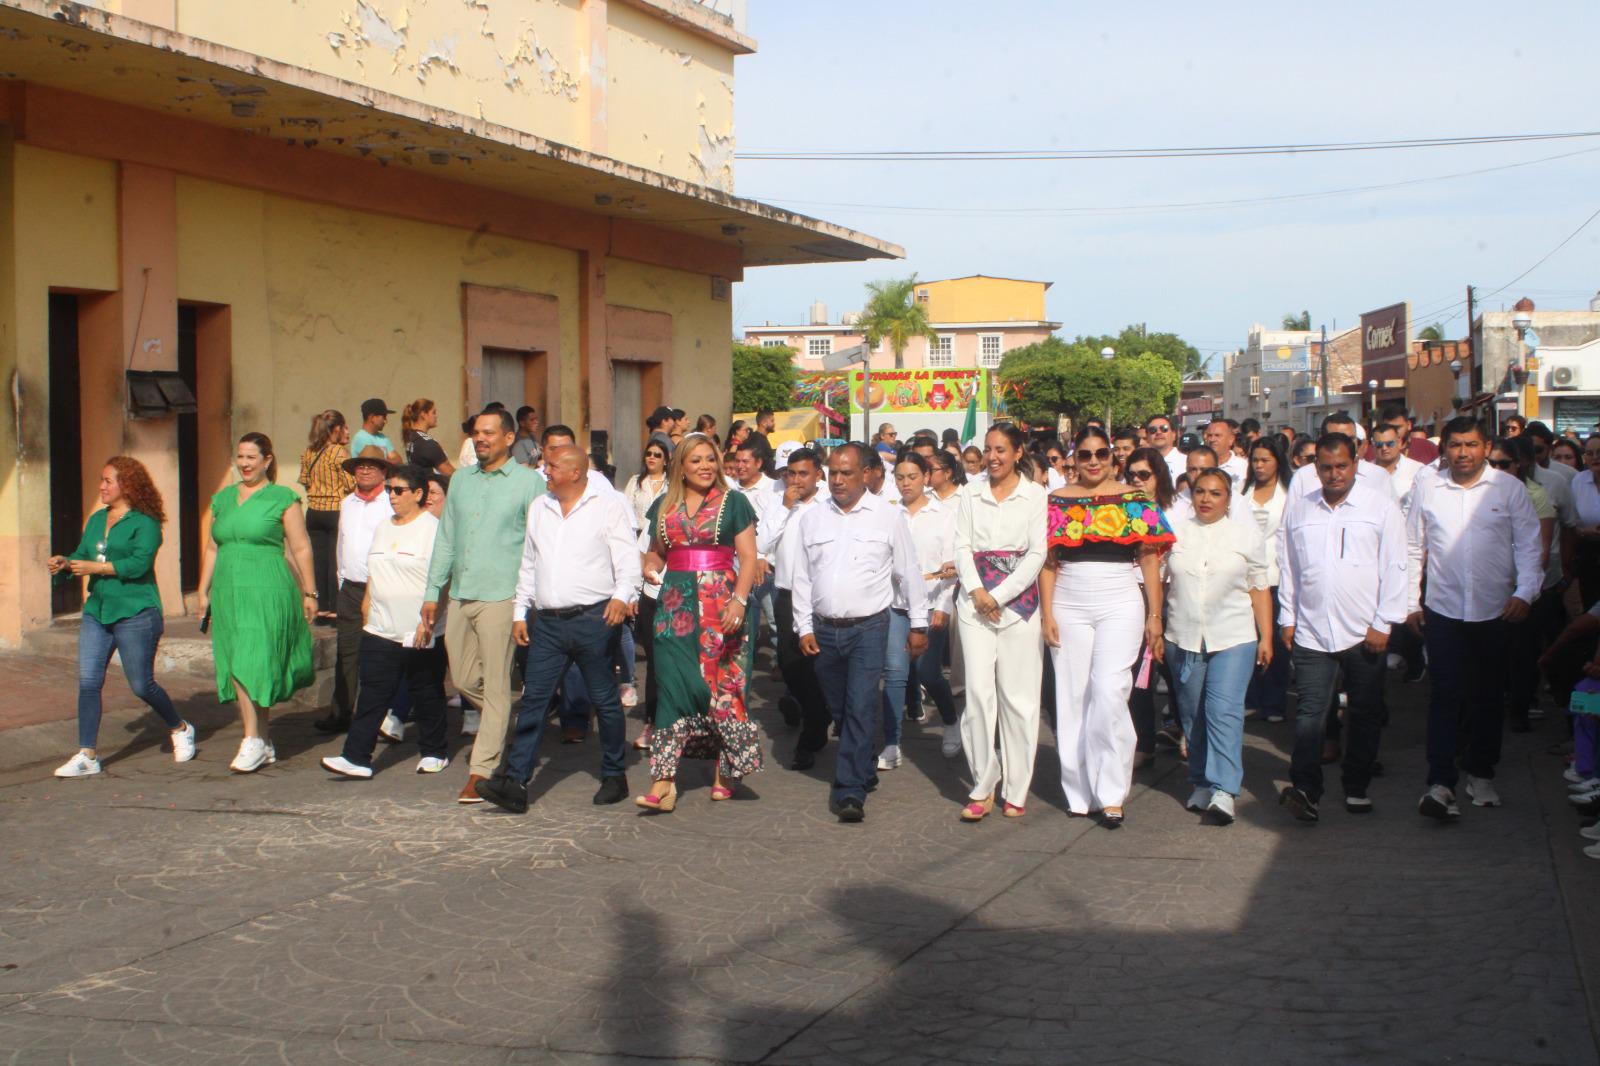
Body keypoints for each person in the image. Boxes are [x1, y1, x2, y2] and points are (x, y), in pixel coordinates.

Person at [471, 447, 641, 812]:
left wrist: (621, 597)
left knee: (604, 699)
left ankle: (614, 775)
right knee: (533, 701)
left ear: (577, 472)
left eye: (553, 466)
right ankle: (515, 782)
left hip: (595, 619)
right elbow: (528, 564)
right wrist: (520, 611)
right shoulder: (540, 507)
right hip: (547, 623)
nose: (545, 471)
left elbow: (627, 561)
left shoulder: (606, 506)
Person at [1406, 416, 1542, 819]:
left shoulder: (1509, 490)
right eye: (1455, 445)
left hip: (1494, 610)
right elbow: (1413, 547)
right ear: (1444, 449)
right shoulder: (1428, 489)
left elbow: (1530, 548)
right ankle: (1440, 781)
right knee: (1445, 694)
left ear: (1486, 447)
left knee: (1486, 696)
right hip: (1443, 609)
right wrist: (1410, 602)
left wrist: (1525, 593)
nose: (1462, 453)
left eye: (1471, 445)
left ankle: (1481, 772)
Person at [1040, 428, 1173, 826]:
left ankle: (1112, 791)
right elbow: (1048, 562)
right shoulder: (1055, 501)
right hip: (1068, 599)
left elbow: (1150, 560)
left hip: (1120, 598)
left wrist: (1155, 616)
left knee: (1110, 691)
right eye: (1085, 454)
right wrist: (1047, 614)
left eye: (1100, 454)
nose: (1093, 461)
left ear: (1113, 458)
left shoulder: (1134, 499)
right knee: (1072, 695)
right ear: (1073, 460)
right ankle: (1080, 791)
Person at [793, 443, 928, 823]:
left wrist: (919, 624)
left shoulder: (887, 517)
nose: (837, 480)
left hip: (870, 627)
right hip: (823, 629)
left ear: (865, 474)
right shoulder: (813, 517)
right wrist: (803, 625)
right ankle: (865, 763)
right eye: (833, 472)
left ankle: (849, 790)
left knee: (861, 704)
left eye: (846, 473)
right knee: (841, 708)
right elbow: (802, 577)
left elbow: (908, 572)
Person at [1276, 434, 1408, 821]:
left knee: (1365, 712)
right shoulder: (1300, 509)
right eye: (1326, 467)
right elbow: (1289, 567)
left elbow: (1397, 566)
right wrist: (1289, 617)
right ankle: (1305, 788)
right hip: (1312, 630)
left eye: (1341, 466)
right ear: (1315, 468)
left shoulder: (1380, 507)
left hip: (1364, 631)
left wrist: (1384, 622)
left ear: (1356, 464)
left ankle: (1356, 786)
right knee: (1310, 713)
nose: (1334, 474)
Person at [423, 409, 548, 803]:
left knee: (495, 683)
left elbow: (539, 545)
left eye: (489, 433)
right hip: (462, 592)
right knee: (462, 679)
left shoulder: (530, 483)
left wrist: (528, 603)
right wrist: (433, 592)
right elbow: (446, 537)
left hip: (503, 595)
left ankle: (482, 770)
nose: (481, 439)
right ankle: (502, 717)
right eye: (477, 433)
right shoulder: (460, 479)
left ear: (509, 438)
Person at [636, 435, 762, 811]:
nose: (706, 466)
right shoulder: (664, 505)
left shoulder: (734, 502)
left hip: (721, 603)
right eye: (696, 461)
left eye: (711, 459)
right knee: (672, 685)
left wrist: (739, 600)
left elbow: (749, 556)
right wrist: (649, 566)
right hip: (675, 607)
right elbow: (657, 553)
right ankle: (663, 782)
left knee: (725, 687)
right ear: (680, 467)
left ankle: (727, 766)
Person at [48, 457, 193, 778]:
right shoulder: (98, 519)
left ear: (127, 485)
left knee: (141, 685)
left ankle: (180, 727)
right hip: (97, 612)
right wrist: (65, 563)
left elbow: (137, 566)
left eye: (107, 481)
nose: (101, 486)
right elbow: (83, 555)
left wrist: (94, 568)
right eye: (101, 480)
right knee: (88, 682)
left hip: (136, 613)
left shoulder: (146, 524)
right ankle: (87, 754)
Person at [320, 463, 451, 779]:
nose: (392, 496)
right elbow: (373, 573)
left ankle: (434, 751)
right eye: (390, 489)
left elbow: (443, 581)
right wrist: (367, 607)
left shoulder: (433, 531)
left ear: (418, 494)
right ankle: (356, 757)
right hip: (379, 627)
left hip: (420, 629)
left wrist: (429, 622)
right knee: (373, 694)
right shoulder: (383, 527)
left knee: (427, 691)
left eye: (399, 490)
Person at [198, 433, 317, 773]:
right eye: (240, 457)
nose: (245, 464)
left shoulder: (283, 498)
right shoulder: (222, 499)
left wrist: (310, 592)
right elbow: (212, 548)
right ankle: (261, 739)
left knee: (254, 660)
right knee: (237, 660)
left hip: (266, 587)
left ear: (267, 460)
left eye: (251, 457)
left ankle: (250, 740)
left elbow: (301, 547)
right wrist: (202, 590)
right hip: (228, 590)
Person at [1164, 468, 1273, 824]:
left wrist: (1266, 636)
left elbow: (1259, 587)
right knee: (1193, 713)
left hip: (1234, 636)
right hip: (1184, 635)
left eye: (1215, 493)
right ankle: (1202, 781)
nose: (1207, 499)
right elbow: (1157, 579)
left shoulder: (1245, 535)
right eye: (1200, 492)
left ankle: (1225, 788)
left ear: (1229, 499)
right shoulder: (1174, 534)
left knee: (1223, 711)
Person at [952, 424, 1047, 822]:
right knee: (976, 693)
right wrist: (978, 593)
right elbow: (961, 545)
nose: (993, 457)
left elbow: (1037, 552)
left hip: (1018, 605)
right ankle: (983, 783)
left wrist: (1000, 595)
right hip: (974, 605)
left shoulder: (1036, 494)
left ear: (1018, 452)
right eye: (988, 449)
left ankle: (1016, 788)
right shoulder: (969, 493)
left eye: (1001, 450)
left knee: (1019, 699)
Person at [313, 446, 395, 735]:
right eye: (360, 465)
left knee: (382, 653)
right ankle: (341, 711)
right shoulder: (348, 503)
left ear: (383, 470)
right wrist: (341, 580)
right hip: (350, 588)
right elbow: (341, 544)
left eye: (372, 465)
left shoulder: (390, 502)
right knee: (346, 652)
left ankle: (384, 715)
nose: (365, 470)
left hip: (382, 589)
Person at [883, 453, 958, 766]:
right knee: (895, 673)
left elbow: (952, 566)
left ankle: (952, 723)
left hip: (930, 604)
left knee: (928, 671)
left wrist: (943, 605)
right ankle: (891, 743)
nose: (906, 483)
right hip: (895, 606)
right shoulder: (888, 514)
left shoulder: (944, 515)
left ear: (926, 477)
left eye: (912, 476)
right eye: (900, 477)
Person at [759, 447, 831, 769]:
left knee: (816, 666)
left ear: (818, 474)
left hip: (821, 597)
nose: (797, 480)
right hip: (786, 593)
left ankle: (812, 735)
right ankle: (819, 712)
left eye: (804, 473)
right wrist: (785, 508)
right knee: (789, 664)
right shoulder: (779, 504)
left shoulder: (831, 503)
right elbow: (761, 543)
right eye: (791, 473)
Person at [1492, 435, 1558, 734]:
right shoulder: (1476, 495)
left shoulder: (1535, 495)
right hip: (1489, 589)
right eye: (1490, 464)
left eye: (1503, 464)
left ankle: (1520, 706)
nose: (1496, 470)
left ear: (1519, 465)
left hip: (1522, 590)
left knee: (1522, 655)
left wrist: (1523, 591)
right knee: (1494, 656)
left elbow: (1540, 550)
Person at [1121, 447, 1178, 766]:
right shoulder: (1123, 509)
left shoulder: (1178, 509)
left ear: (1159, 476)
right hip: (1135, 592)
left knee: (1174, 671)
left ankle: (1184, 729)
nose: (1137, 480)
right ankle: (1143, 740)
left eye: (1145, 474)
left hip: (1174, 595)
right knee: (1140, 671)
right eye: (1131, 475)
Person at [1242, 436, 1292, 723]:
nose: (1259, 466)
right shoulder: (1243, 491)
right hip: (1246, 577)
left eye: (1265, 460)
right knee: (1248, 640)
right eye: (1255, 460)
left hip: (1276, 575)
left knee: (1274, 639)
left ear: (1278, 462)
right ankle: (1251, 697)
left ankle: (1274, 702)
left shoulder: (1289, 493)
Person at [298, 410, 354, 624]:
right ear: (337, 429)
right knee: (335, 561)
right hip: (334, 510)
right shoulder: (339, 453)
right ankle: (334, 611)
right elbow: (350, 484)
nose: (347, 431)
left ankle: (319, 610)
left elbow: (304, 479)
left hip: (314, 511)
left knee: (318, 561)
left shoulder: (310, 451)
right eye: (345, 427)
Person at [1572, 436, 1600, 607]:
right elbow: (1571, 522)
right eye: (1590, 453)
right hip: (1587, 552)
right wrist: (1584, 532)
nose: (1595, 457)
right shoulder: (1579, 481)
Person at [401, 398, 456, 476]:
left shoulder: (412, 437)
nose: (436, 416)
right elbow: (450, 472)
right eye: (433, 412)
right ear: (423, 414)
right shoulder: (427, 443)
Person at [351, 398, 402, 465]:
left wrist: (383, 462)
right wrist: (388, 461)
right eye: (383, 416)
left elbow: (398, 460)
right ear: (372, 417)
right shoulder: (360, 438)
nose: (385, 421)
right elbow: (374, 464)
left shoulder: (382, 437)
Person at [1203, 418, 1248, 485]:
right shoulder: (1201, 465)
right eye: (1209, 435)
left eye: (1217, 435)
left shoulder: (1244, 466)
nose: (1212, 439)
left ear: (1231, 439)